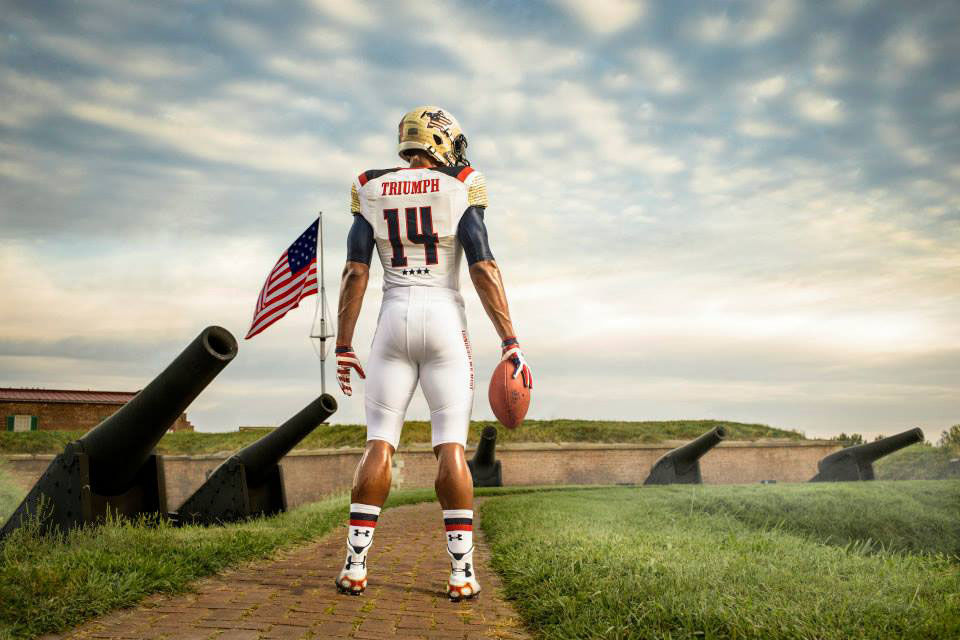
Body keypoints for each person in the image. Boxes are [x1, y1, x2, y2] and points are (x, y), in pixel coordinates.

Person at [334, 106, 532, 601]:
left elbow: (356, 272)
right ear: (441, 142)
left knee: (379, 442)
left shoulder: (370, 186)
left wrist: (342, 344)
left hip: (392, 320)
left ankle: (356, 566)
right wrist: (510, 340)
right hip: (444, 319)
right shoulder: (462, 183)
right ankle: (461, 573)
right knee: (450, 446)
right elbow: (483, 266)